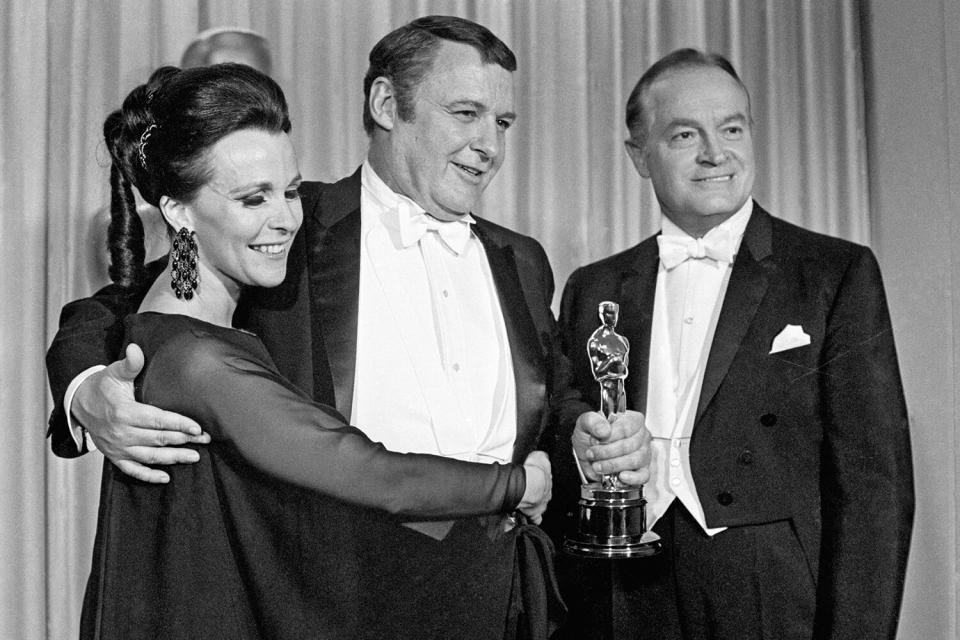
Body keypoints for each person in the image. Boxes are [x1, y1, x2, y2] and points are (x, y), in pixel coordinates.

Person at [46, 16, 651, 639]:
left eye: (502, 123)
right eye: (465, 113)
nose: (489, 145)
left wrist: (582, 434)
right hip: (343, 604)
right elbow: (116, 310)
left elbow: (552, 395)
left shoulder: (521, 259)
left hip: (501, 596)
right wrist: (87, 388)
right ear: (386, 103)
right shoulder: (284, 226)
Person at [553, 49, 914, 639]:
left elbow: (875, 484)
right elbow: (562, 418)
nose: (715, 153)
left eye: (732, 129)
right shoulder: (592, 287)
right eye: (685, 134)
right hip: (621, 592)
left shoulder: (833, 272)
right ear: (639, 155)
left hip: (770, 591)